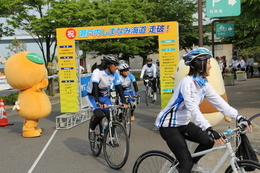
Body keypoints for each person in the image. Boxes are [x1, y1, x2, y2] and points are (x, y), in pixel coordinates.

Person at [155, 47, 252, 173]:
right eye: (208, 62)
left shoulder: (203, 84)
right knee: (186, 164)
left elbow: (220, 103)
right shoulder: (187, 83)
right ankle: (190, 165)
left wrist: (239, 117)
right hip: (169, 126)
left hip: (183, 123)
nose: (210, 66)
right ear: (200, 64)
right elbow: (193, 109)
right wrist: (208, 128)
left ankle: (194, 164)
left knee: (208, 141)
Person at [87, 54, 128, 141]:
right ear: (108, 65)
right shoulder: (97, 72)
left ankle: (111, 138)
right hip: (93, 97)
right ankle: (92, 130)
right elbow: (95, 86)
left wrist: (124, 101)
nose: (117, 67)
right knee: (99, 115)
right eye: (115, 65)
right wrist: (98, 102)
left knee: (112, 116)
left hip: (105, 97)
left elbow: (119, 87)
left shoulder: (115, 74)